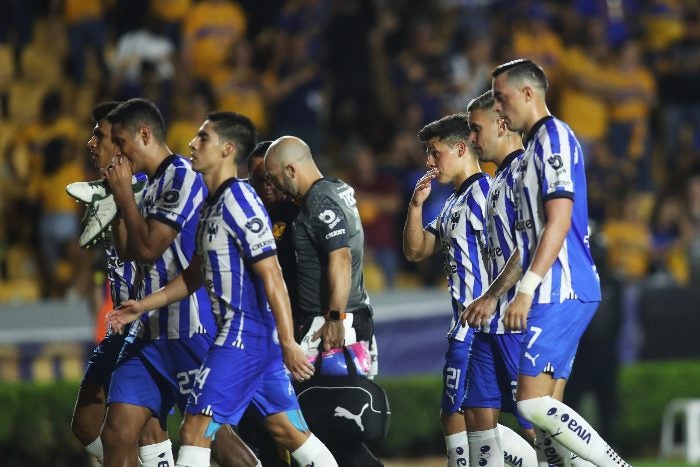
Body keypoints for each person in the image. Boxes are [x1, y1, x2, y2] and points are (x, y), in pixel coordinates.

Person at [109, 111, 337, 467]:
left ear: (228, 149)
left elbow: (272, 275)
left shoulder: (240, 200)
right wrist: (143, 305)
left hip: (242, 337)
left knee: (195, 430)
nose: (191, 144)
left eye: (203, 138)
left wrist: (288, 340)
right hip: (250, 340)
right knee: (288, 431)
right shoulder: (210, 204)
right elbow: (193, 276)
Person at [97, 98, 257, 467]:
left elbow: (150, 247)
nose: (117, 152)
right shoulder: (150, 184)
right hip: (149, 331)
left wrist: (123, 193)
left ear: (144, 134)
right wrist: (119, 200)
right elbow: (129, 252)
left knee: (213, 438)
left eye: (120, 142)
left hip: (189, 327)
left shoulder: (181, 176)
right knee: (118, 433)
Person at [490, 58, 630, 466]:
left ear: (528, 93)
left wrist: (526, 289)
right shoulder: (534, 146)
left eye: (502, 97)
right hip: (557, 287)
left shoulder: (553, 137)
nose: (499, 107)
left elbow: (560, 219)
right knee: (546, 415)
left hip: (561, 286)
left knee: (531, 407)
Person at [402, 114, 534, 467]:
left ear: (460, 149)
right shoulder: (453, 203)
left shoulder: (485, 194)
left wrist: (498, 300)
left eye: (434, 152)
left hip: (485, 328)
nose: (429, 162)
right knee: (467, 417)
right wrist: (415, 207)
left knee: (526, 418)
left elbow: (518, 248)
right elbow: (416, 251)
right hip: (468, 329)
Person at [264, 135, 383, 467]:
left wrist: (334, 317)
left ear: (291, 169)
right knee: (330, 425)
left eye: (274, 177)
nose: (272, 184)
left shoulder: (318, 200)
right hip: (350, 318)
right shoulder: (337, 188)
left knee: (319, 423)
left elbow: (341, 258)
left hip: (328, 326)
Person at [70, 101, 171, 466]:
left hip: (156, 325)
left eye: (99, 134)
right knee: (86, 425)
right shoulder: (107, 189)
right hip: (122, 326)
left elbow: (143, 252)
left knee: (145, 431)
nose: (90, 142)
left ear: (121, 141)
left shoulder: (146, 189)